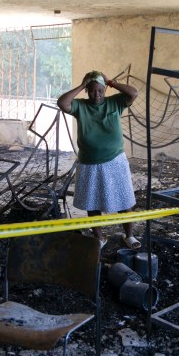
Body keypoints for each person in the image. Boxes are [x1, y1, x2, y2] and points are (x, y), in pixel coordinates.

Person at [57, 70, 141, 249]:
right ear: (87, 90)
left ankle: (129, 236)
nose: (97, 95)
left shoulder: (115, 102)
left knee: (124, 200)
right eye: (93, 90)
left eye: (101, 91)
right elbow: (62, 103)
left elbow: (133, 93)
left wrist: (111, 82)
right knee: (92, 202)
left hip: (115, 160)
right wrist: (81, 85)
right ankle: (100, 238)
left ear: (105, 90)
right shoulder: (80, 106)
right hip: (89, 163)